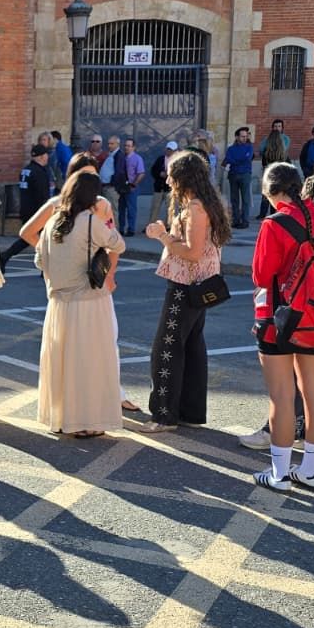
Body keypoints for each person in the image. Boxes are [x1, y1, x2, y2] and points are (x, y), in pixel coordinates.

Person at [250, 162, 314, 491]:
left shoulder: (275, 223)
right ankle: (310, 470)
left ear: (273, 193)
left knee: (281, 395)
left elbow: (262, 277)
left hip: (280, 317)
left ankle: (278, 474)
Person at [133, 152, 231, 433]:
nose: (167, 178)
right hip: (196, 285)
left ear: (183, 178)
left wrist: (161, 236)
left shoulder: (196, 208)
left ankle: (164, 415)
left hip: (186, 286)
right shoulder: (203, 204)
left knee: (166, 349)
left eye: (171, 173)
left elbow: (193, 252)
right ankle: (189, 411)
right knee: (191, 346)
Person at [33, 171, 126, 438]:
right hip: (89, 301)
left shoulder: (53, 222)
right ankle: (88, 421)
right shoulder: (90, 222)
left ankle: (61, 418)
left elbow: (40, 261)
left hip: (58, 303)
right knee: (89, 362)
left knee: (62, 363)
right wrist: (105, 220)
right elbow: (119, 244)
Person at [0, 144, 54, 269]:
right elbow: (42, 196)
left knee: (29, 238)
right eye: (46, 155)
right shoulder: (39, 172)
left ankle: (5, 256)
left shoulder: (27, 169)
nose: (47, 157)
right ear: (41, 156)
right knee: (44, 239)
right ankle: (5, 256)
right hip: (37, 211)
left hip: (26, 209)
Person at [258, 119, 291, 218]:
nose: (277, 128)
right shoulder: (266, 139)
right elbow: (261, 151)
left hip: (277, 168)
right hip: (269, 168)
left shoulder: (285, 139)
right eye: (275, 126)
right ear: (272, 128)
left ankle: (274, 212)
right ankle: (263, 213)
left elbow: (283, 151)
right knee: (266, 191)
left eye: (279, 126)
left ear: (282, 128)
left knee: (276, 191)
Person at [113, 138, 144, 236]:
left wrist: (134, 184)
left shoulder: (137, 158)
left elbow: (141, 173)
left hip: (131, 187)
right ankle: (121, 229)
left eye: (129, 146)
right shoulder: (121, 157)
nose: (126, 147)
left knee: (131, 209)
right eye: (125, 145)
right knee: (121, 209)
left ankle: (131, 229)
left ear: (133, 147)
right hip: (121, 187)